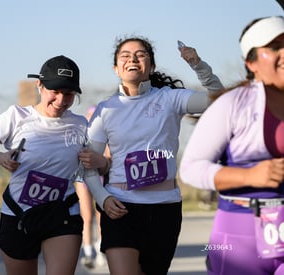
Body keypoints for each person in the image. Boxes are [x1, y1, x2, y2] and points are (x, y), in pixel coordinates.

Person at [80, 36, 224, 275]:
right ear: (116, 68)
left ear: (152, 66)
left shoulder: (170, 98)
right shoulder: (105, 110)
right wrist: (103, 198)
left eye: (141, 54)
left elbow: (221, 100)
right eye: (125, 55)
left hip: (164, 209)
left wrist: (199, 66)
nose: (133, 58)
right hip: (120, 207)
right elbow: (88, 165)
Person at [179, 15, 284, 274]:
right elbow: (190, 168)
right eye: (274, 47)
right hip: (239, 234)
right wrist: (250, 175)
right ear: (251, 62)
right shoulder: (232, 104)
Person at [0, 55, 86, 275]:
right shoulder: (16, 116)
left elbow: (94, 167)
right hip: (19, 214)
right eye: (55, 92)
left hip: (62, 213)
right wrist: (1, 158)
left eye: (68, 94)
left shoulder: (81, 124)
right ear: (39, 85)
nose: (61, 100)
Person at [75, 105, 106, 269]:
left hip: (100, 176)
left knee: (101, 215)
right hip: (82, 178)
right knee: (86, 216)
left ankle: (100, 250)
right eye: (89, 116)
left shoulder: (105, 134)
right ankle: (87, 252)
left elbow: (108, 156)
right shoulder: (79, 134)